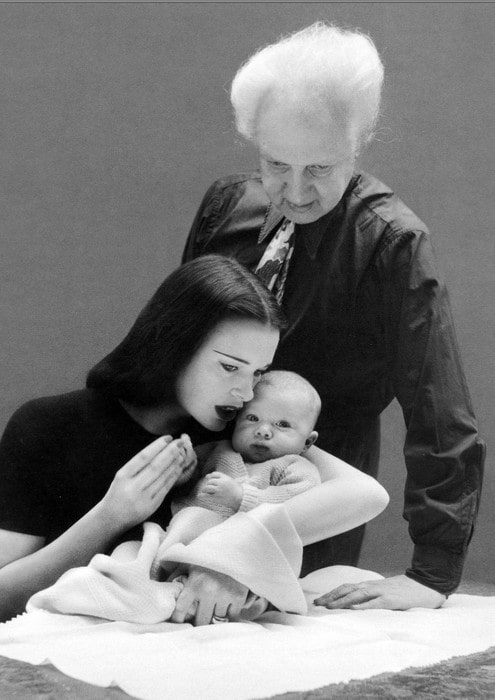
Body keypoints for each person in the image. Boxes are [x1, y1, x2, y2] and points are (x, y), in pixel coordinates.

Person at [182, 22, 485, 610]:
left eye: (318, 168)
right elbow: (177, 351)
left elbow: (439, 411)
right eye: (275, 164)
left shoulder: (393, 242)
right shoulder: (225, 206)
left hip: (312, 482)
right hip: (204, 467)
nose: (294, 192)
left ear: (358, 141)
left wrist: (432, 573)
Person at [0, 254, 389, 624]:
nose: (246, 392)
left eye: (258, 372)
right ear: (174, 345)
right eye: (230, 367)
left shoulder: (233, 430)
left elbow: (366, 494)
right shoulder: (49, 424)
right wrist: (110, 516)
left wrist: (230, 556)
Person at [172, 370, 322, 518]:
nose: (262, 431)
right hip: (182, 527)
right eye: (252, 418)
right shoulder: (218, 451)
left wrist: (240, 497)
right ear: (236, 421)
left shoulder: (296, 468)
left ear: (307, 442)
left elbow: (294, 507)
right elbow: (186, 487)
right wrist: (184, 469)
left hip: (240, 537)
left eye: (282, 424)